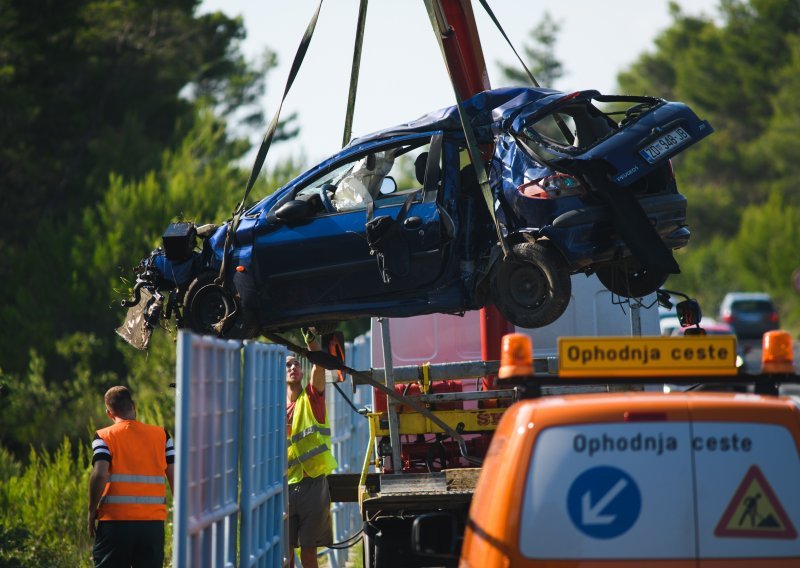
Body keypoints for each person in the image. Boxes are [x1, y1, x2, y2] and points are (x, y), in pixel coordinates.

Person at [88, 386, 175, 567]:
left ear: (109, 413)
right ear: (133, 405)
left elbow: (100, 473)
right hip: (152, 525)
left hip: (115, 523)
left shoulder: (103, 437)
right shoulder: (162, 435)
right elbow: (175, 477)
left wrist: (91, 511)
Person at [286, 330, 339, 568]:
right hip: (284, 487)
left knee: (309, 554)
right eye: (287, 365)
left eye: (297, 363)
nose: (293, 367)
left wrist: (311, 342)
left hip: (312, 485)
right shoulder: (273, 405)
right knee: (284, 557)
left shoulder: (311, 398)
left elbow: (318, 367)